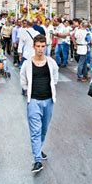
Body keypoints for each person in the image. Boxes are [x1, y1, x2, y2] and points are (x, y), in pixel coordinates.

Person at [20, 35, 59, 173]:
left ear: (46, 47)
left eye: (43, 46)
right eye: (38, 46)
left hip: (48, 101)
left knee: (44, 130)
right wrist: (29, 92)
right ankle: (37, 160)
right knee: (35, 131)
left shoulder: (51, 62)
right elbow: (23, 81)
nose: (40, 49)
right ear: (34, 47)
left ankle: (39, 149)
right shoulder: (27, 64)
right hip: (34, 102)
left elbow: (55, 78)